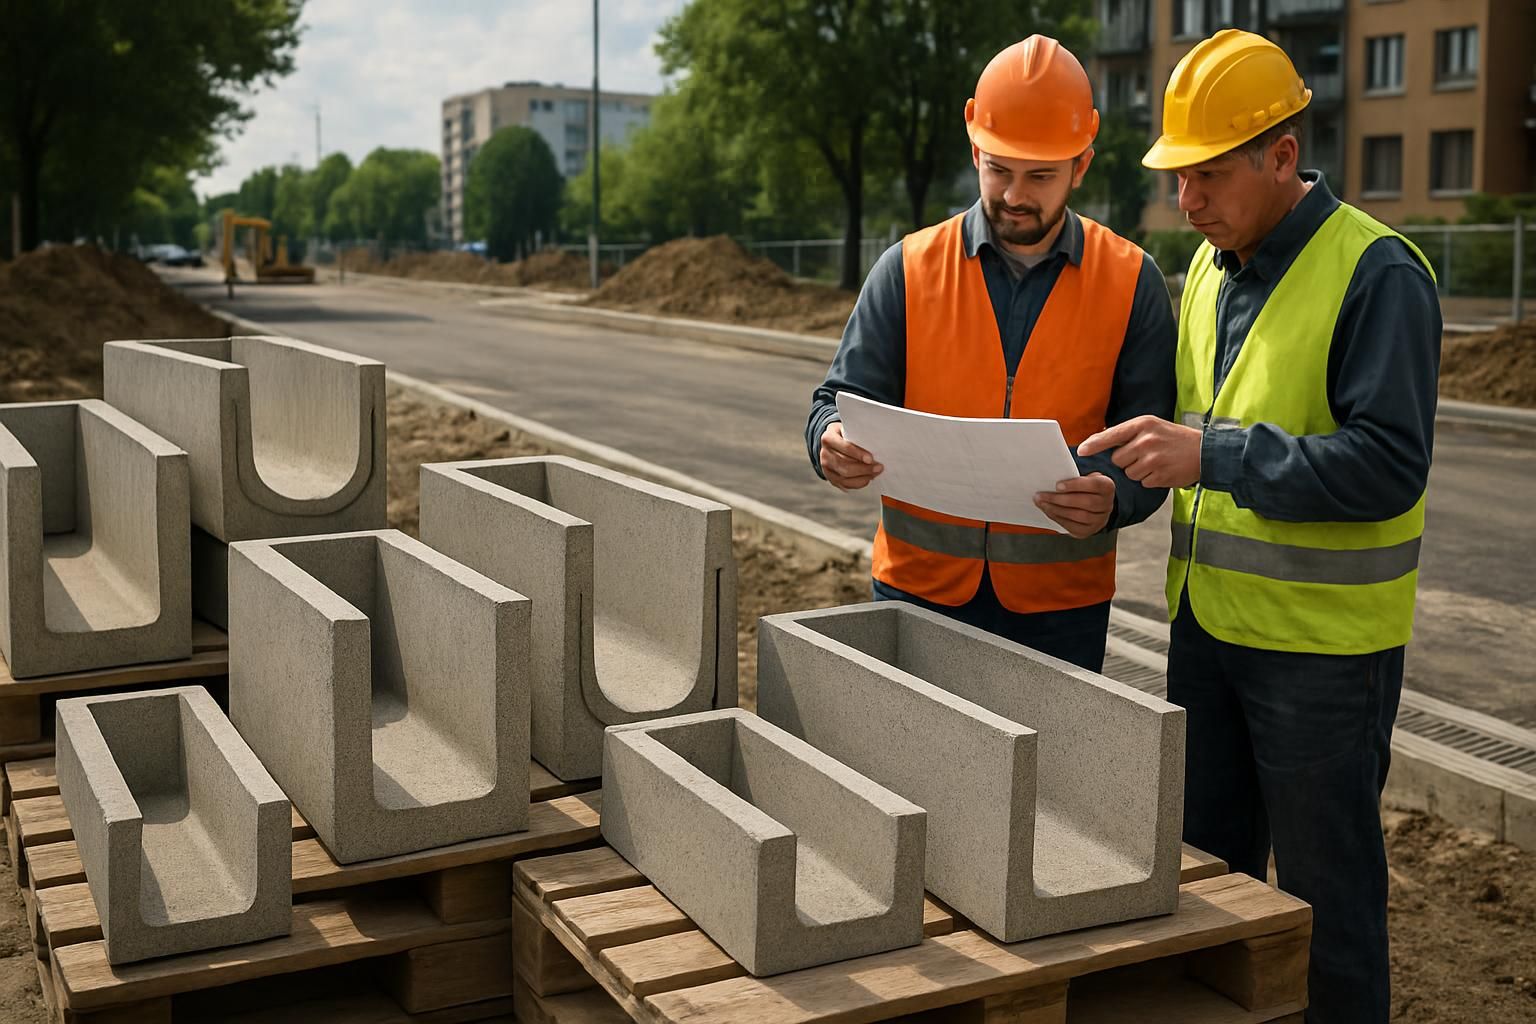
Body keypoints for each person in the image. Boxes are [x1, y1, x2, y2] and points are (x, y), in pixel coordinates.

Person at [1077, 29, 1442, 1023]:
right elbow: (1183, 439)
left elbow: (1388, 466)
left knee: (1328, 912)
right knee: (1209, 884)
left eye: (1206, 176)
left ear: (1282, 157)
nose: (1184, 202)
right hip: (1209, 635)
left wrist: (1215, 456)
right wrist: (1111, 481)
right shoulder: (1206, 269)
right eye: (1177, 178)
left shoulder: (1378, 274)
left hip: (1323, 659)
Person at [804, 35, 1176, 672]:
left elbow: (1146, 443)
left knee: (1047, 774)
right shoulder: (907, 269)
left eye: (1040, 176)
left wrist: (1114, 495)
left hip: (1061, 612)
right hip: (914, 596)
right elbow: (832, 403)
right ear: (975, 148)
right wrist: (829, 441)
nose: (1013, 195)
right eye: (998, 169)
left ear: (1081, 165)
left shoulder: (1132, 281)